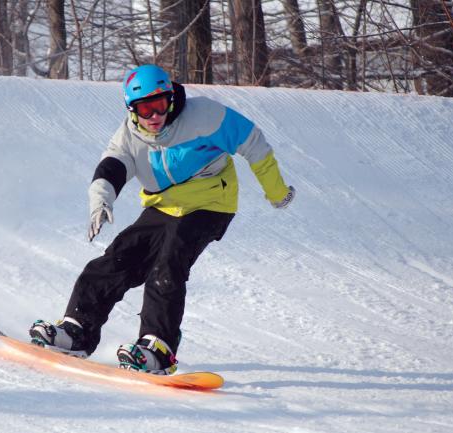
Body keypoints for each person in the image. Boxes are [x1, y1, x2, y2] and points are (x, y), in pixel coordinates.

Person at [30, 64, 295, 375]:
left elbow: (254, 143)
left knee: (167, 266)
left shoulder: (205, 116)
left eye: (159, 105)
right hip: (163, 206)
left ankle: (158, 347)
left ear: (171, 99)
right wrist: (100, 201)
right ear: (132, 110)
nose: (154, 116)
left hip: (210, 202)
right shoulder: (129, 136)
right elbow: (111, 168)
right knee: (116, 259)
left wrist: (277, 193)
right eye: (145, 109)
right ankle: (77, 331)